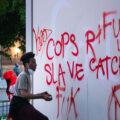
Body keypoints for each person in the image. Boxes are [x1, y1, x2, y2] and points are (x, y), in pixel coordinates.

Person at [9, 52, 52, 120]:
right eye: (33, 62)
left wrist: (42, 94)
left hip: (23, 104)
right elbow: (23, 94)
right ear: (27, 65)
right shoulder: (23, 75)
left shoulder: (27, 75)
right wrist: (41, 96)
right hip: (18, 106)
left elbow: (25, 94)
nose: (36, 64)